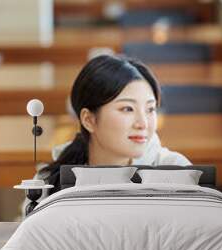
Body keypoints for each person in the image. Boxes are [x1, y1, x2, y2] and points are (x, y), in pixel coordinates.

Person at [34, 55, 191, 199]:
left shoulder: (177, 172)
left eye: (150, 109)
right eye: (127, 109)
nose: (143, 123)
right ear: (89, 120)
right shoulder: (49, 182)